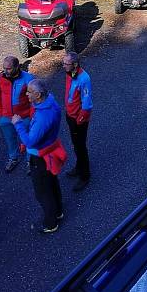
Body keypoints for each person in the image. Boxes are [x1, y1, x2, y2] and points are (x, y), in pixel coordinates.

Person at [12, 79, 66, 234]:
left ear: (38, 94)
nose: (26, 94)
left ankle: (51, 223)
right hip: (50, 150)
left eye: (29, 91)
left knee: (42, 190)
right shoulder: (51, 101)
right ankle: (58, 211)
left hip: (41, 157)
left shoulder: (43, 117)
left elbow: (30, 141)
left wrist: (18, 124)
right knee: (52, 183)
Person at [0, 56, 34, 173]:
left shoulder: (28, 78)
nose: (6, 71)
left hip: (24, 117)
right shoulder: (0, 78)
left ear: (17, 67)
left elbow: (34, 99)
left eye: (9, 68)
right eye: (4, 68)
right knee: (10, 140)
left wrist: (30, 115)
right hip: (6, 118)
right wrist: (0, 114)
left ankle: (30, 161)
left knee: (27, 140)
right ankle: (13, 158)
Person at [62, 52, 93, 192]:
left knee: (80, 147)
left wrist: (79, 120)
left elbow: (87, 104)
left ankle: (85, 176)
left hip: (78, 119)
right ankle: (79, 166)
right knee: (75, 145)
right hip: (70, 116)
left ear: (74, 65)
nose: (63, 66)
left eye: (66, 64)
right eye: (63, 63)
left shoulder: (84, 78)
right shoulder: (69, 74)